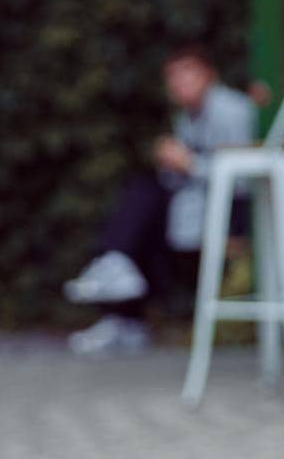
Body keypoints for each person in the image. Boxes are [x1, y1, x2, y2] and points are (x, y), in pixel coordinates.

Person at [64, 45, 257, 355]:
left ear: (209, 74)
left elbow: (243, 176)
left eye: (187, 72)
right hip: (194, 208)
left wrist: (188, 163)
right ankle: (124, 315)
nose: (180, 83)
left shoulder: (228, 109)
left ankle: (116, 275)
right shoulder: (188, 116)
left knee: (141, 202)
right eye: (173, 77)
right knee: (138, 225)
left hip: (229, 212)